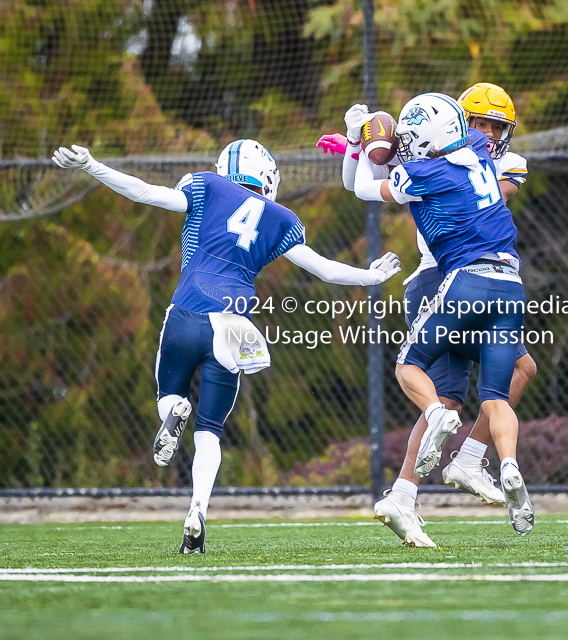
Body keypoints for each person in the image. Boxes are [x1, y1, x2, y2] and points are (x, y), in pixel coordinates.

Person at [52, 140, 401, 553]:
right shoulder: (281, 218)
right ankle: (197, 509)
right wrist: (370, 277)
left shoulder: (205, 186)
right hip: (234, 326)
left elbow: (145, 191)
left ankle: (173, 410)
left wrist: (93, 165)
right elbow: (322, 268)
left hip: (187, 313)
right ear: (266, 177)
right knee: (211, 431)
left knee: (169, 394)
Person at [324, 83, 536, 547]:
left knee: (515, 371)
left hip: (466, 276)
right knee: (449, 398)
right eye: (479, 123)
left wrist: (372, 148)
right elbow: (356, 180)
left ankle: (460, 461)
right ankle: (416, 487)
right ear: (459, 122)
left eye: (496, 126)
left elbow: (384, 178)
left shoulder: (483, 158)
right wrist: (361, 142)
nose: (487, 133)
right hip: (438, 277)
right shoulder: (450, 150)